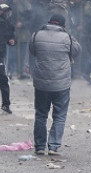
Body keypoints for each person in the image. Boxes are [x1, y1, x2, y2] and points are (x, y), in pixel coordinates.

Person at [29, 14, 81, 156]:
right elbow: (76, 51)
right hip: (61, 83)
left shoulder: (37, 35)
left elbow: (32, 51)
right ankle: (53, 147)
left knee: (41, 114)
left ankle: (39, 147)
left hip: (41, 82)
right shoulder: (67, 37)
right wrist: (71, 36)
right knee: (59, 115)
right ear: (63, 25)